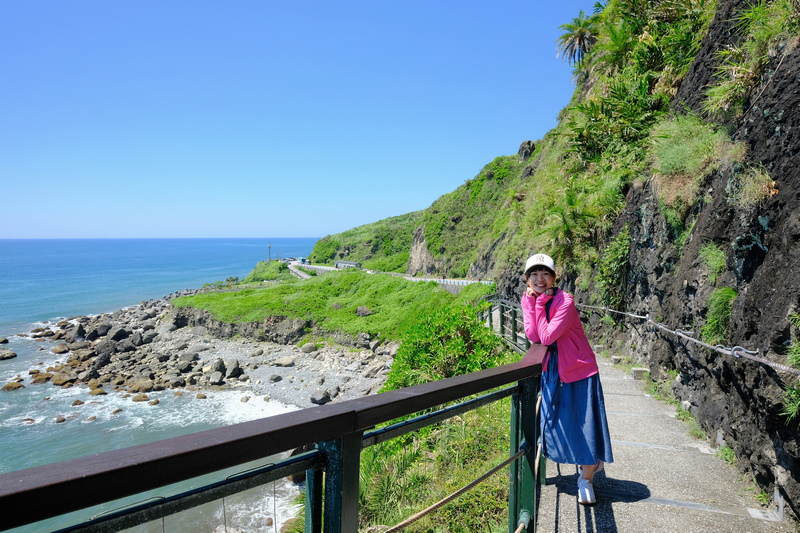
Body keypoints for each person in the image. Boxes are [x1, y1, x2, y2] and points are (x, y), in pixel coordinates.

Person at [520, 253, 613, 505]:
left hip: (579, 371)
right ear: (527, 279)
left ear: (553, 278)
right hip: (554, 371)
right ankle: (592, 464)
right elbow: (533, 335)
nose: (540, 279)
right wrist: (533, 304)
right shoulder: (528, 299)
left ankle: (586, 479)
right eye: (534, 275)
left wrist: (538, 305)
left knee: (585, 428)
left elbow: (547, 337)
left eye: (545, 274)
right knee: (554, 428)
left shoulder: (565, 301)